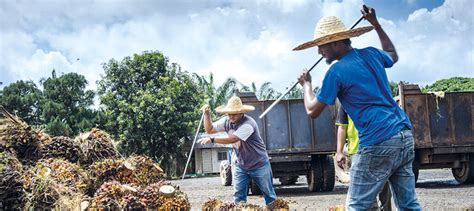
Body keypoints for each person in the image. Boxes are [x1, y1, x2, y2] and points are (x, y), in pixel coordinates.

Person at [294, 5, 421, 210]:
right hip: (403, 136)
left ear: (335, 42)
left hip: (378, 140)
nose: (319, 51)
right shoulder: (371, 54)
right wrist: (376, 24)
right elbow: (392, 54)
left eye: (321, 46)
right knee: (408, 205)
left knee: (357, 205)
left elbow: (312, 110)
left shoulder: (336, 71)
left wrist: (306, 85)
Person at [197, 96, 277, 205]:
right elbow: (209, 129)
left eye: (234, 114)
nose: (231, 117)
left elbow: (233, 139)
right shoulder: (226, 121)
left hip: (259, 164)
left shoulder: (248, 124)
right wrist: (206, 114)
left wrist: (212, 140)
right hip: (241, 165)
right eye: (229, 113)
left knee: (269, 196)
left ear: (241, 112)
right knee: (238, 198)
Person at [336, 106, 392, 211]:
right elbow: (342, 127)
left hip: (379, 148)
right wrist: (339, 152)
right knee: (365, 189)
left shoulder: (376, 96)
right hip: (357, 151)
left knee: (384, 186)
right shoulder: (345, 102)